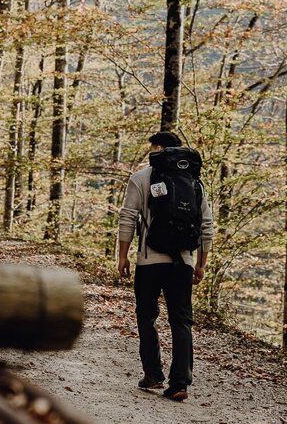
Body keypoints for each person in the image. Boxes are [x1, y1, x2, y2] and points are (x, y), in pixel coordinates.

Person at [116, 131, 214, 401]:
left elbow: (128, 218)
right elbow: (207, 225)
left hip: (149, 261)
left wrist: (123, 256)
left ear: (157, 149)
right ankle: (180, 383)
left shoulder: (140, 178)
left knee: (147, 316)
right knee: (181, 321)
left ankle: (153, 374)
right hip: (183, 262)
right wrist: (201, 263)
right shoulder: (194, 181)